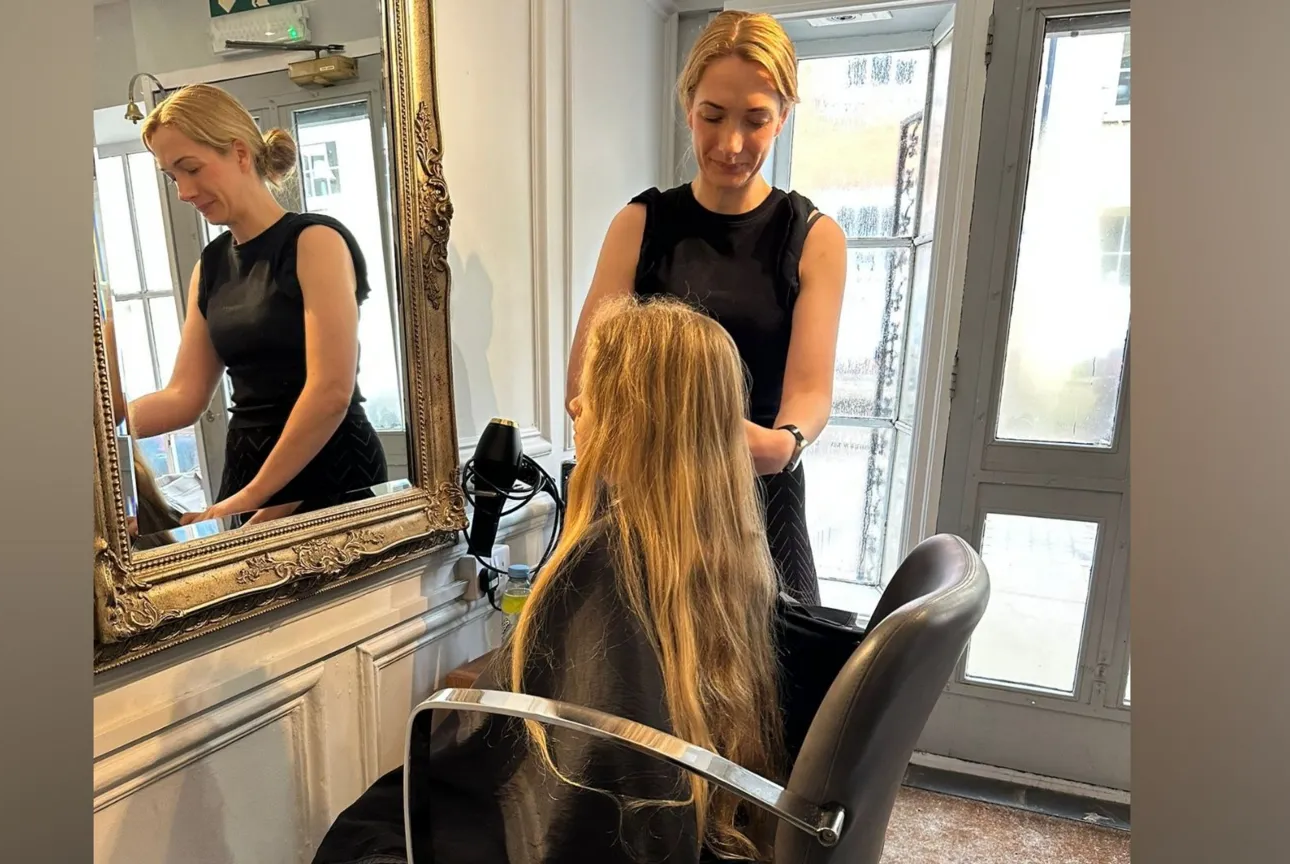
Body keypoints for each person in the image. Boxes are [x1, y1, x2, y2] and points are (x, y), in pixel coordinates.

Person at [313, 297, 792, 864]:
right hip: (702, 819)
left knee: (363, 837)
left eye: (594, 391)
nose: (574, 404)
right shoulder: (725, 548)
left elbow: (566, 805)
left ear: (632, 417)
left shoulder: (605, 554)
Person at [566, 11, 847, 606]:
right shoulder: (639, 226)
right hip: (646, 511)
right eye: (713, 116)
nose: (731, 144)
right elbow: (585, 380)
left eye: (756, 120)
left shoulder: (813, 237)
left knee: (776, 690)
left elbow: (809, 393)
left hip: (759, 502)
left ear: (783, 117)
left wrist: (785, 442)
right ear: (688, 104)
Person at [126, 83, 387, 525]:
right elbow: (184, 396)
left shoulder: (315, 241)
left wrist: (250, 498)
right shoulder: (210, 266)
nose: (184, 192)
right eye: (173, 177)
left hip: (327, 466)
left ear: (240, 154)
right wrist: (102, 426)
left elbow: (330, 393)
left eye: (191, 169)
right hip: (249, 469)